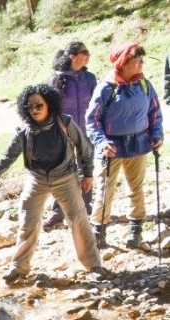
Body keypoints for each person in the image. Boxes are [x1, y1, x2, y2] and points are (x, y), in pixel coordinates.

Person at [0, 84, 102, 284]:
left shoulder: (65, 123)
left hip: (66, 178)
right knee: (28, 222)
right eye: (29, 107)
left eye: (38, 105)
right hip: (37, 180)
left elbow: (84, 149)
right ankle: (18, 268)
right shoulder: (23, 132)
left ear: (49, 104)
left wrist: (87, 174)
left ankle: (94, 265)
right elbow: (7, 158)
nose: (34, 110)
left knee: (79, 219)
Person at [86, 42, 164, 249]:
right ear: (123, 63)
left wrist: (157, 134)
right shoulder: (106, 88)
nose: (141, 63)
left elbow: (154, 113)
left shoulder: (145, 85)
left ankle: (135, 232)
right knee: (104, 190)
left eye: (141, 60)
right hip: (111, 148)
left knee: (136, 189)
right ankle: (98, 234)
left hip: (138, 145)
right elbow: (92, 120)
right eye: (136, 60)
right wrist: (101, 142)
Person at [42, 42, 97, 231]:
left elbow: (96, 106)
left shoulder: (89, 78)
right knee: (61, 171)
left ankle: (85, 208)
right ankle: (58, 212)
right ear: (73, 56)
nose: (88, 55)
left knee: (86, 170)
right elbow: (48, 111)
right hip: (62, 133)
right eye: (85, 52)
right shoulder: (54, 80)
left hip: (85, 131)